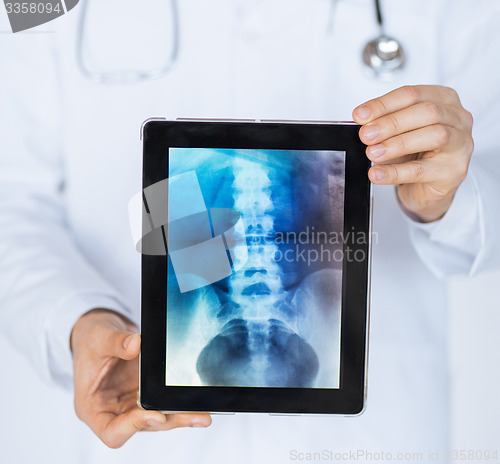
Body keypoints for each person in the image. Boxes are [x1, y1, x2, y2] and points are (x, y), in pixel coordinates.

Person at [0, 0, 499, 460]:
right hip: (149, 435)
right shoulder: (32, 9)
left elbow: (489, 186)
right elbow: (13, 199)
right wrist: (77, 318)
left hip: (367, 441)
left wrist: (445, 197)